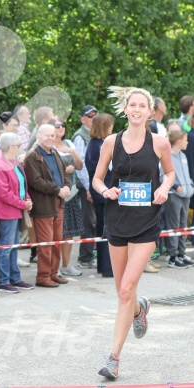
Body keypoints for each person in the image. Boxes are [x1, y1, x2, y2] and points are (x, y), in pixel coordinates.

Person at [93, 86, 175, 380]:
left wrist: (164, 188)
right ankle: (139, 310)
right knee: (123, 292)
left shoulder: (160, 143)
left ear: (150, 112)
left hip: (146, 222)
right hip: (117, 220)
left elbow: (169, 173)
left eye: (143, 106)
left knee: (126, 288)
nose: (138, 110)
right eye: (133, 105)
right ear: (125, 109)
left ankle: (113, 358)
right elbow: (97, 179)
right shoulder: (111, 142)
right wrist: (106, 191)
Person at [24, 124, 71, 288]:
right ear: (38, 137)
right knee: (45, 243)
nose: (51, 138)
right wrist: (57, 190)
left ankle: (53, 273)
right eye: (47, 135)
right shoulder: (32, 157)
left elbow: (64, 173)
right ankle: (43, 276)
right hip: (44, 205)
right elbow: (36, 182)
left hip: (58, 202)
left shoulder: (54, 152)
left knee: (57, 241)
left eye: (52, 135)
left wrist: (66, 187)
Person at [0, 132, 35, 293]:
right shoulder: (0, 165)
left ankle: (15, 278)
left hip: (16, 209)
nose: (20, 148)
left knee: (13, 246)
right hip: (7, 211)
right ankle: (4, 281)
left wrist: (27, 199)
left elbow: (22, 185)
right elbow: (3, 193)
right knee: (6, 246)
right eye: (18, 146)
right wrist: (23, 203)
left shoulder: (14, 163)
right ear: (10, 147)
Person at [49, 117, 84, 277]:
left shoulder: (69, 143)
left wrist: (73, 151)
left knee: (69, 231)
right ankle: (53, 267)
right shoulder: (46, 145)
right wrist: (65, 168)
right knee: (55, 232)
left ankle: (66, 264)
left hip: (71, 193)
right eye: (57, 126)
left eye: (63, 125)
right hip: (55, 194)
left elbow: (79, 165)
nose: (61, 127)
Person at [85, 113, 115, 278]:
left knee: (103, 227)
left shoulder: (94, 144)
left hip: (101, 191)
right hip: (104, 191)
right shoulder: (100, 145)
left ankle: (105, 265)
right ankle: (107, 266)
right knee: (105, 228)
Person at [73, 105, 99, 269]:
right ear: (83, 118)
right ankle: (85, 257)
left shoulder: (93, 134)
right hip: (86, 186)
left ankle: (90, 255)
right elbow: (80, 166)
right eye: (90, 116)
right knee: (89, 221)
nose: (93, 119)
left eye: (95, 116)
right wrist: (89, 187)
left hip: (94, 184)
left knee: (95, 221)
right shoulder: (79, 136)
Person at [165, 129, 194, 268]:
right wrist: (176, 186)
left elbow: (186, 174)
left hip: (186, 195)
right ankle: (173, 256)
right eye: (186, 139)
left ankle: (181, 253)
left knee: (183, 226)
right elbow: (163, 174)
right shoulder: (167, 156)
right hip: (174, 196)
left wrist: (191, 185)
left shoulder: (182, 156)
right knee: (174, 226)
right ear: (178, 141)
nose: (187, 142)